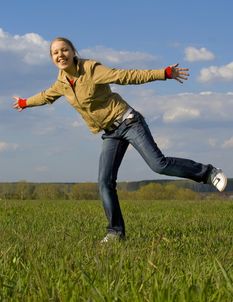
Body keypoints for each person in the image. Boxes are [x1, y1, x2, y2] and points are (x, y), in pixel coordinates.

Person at [13, 37, 227, 243]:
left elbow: (125, 76)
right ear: (52, 58)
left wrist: (164, 73)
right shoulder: (61, 83)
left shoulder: (91, 69)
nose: (61, 55)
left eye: (65, 50)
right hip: (110, 132)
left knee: (158, 165)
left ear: (73, 52)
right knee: (105, 182)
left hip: (129, 121)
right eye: (55, 52)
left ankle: (208, 173)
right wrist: (24, 102)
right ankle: (116, 232)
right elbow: (45, 96)